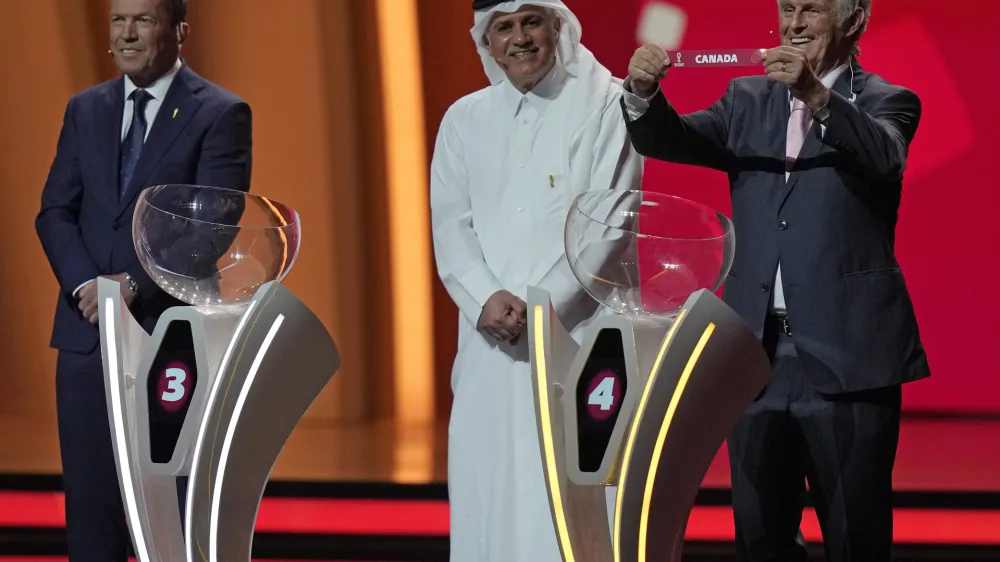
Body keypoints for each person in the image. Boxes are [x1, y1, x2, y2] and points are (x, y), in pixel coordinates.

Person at [620, 0, 929, 560]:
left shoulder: (889, 100)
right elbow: (672, 139)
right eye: (788, 9)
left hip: (848, 357)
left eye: (813, 10)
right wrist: (643, 95)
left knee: (854, 538)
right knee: (761, 536)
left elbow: (886, 155)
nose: (795, 23)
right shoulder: (747, 99)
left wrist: (817, 95)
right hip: (753, 358)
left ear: (854, 20)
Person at [34, 0, 252, 559]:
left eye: (143, 20)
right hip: (87, 339)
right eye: (117, 21)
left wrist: (133, 285)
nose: (127, 34)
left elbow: (214, 224)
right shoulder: (86, 109)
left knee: (167, 511)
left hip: (169, 337)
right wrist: (88, 286)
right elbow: (55, 210)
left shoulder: (220, 112)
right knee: (90, 510)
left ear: (179, 29)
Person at [430, 1, 643, 560]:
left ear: (558, 27)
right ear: (486, 40)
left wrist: (537, 305)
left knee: (579, 499)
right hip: (490, 346)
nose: (519, 38)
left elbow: (611, 221)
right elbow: (450, 227)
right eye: (503, 27)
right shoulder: (464, 119)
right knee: (492, 498)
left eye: (531, 22)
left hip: (581, 337)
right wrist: (485, 298)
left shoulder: (606, 102)